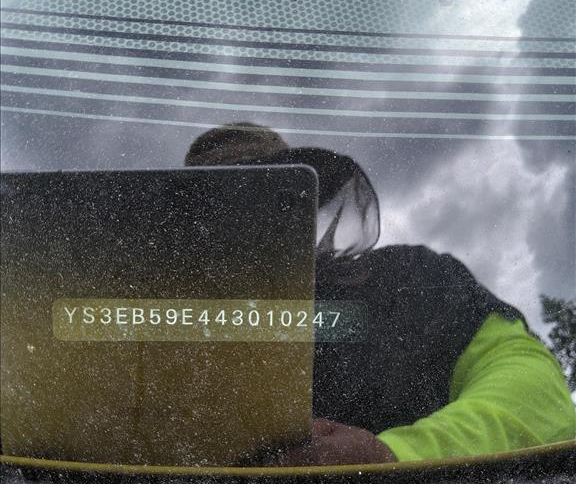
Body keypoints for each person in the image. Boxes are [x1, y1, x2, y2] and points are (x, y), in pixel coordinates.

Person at [184, 122, 576, 465]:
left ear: (306, 199)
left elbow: (530, 384)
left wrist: (395, 456)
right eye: (215, 205)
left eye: (270, 194)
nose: (246, 218)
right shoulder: (159, 309)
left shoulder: (408, 280)